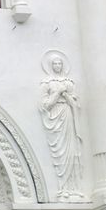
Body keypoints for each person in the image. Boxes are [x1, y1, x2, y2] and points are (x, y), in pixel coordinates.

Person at [40, 55, 82, 199]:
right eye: (55, 63)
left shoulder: (69, 83)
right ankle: (62, 187)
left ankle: (73, 188)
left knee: (71, 150)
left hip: (67, 114)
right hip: (55, 116)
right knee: (60, 151)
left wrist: (67, 95)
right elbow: (45, 105)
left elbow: (75, 104)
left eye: (59, 63)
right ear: (51, 66)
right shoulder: (48, 83)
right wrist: (58, 92)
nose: (58, 66)